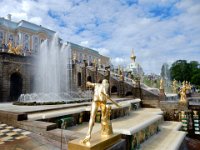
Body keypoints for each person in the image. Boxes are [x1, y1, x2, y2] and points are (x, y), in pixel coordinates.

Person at [82, 79, 113, 143]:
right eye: (106, 83)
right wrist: (88, 83)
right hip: (95, 101)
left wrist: (107, 96)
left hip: (102, 103)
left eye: (107, 83)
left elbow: (105, 94)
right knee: (92, 116)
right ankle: (88, 134)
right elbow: (89, 84)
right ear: (103, 83)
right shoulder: (97, 84)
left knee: (104, 117)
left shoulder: (105, 88)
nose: (106, 85)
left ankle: (105, 130)